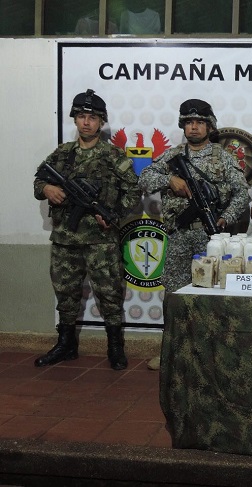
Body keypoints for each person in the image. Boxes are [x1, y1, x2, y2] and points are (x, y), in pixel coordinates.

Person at [33, 89, 140, 371]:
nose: (86, 122)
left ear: (101, 122)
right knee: (65, 292)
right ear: (75, 119)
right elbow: (38, 181)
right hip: (65, 239)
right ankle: (65, 344)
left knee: (109, 294)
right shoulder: (62, 154)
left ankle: (115, 346)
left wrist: (113, 215)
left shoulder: (113, 156)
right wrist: (47, 188)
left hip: (101, 241)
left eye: (92, 118)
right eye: (81, 116)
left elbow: (133, 193)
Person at [139, 99, 249, 370]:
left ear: (209, 126)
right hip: (178, 235)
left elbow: (241, 194)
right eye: (189, 122)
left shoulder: (223, 157)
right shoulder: (172, 156)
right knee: (174, 296)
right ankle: (171, 353)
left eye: (200, 122)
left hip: (210, 237)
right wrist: (169, 180)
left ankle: (211, 355)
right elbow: (144, 179)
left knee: (211, 296)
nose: (194, 127)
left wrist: (225, 218)